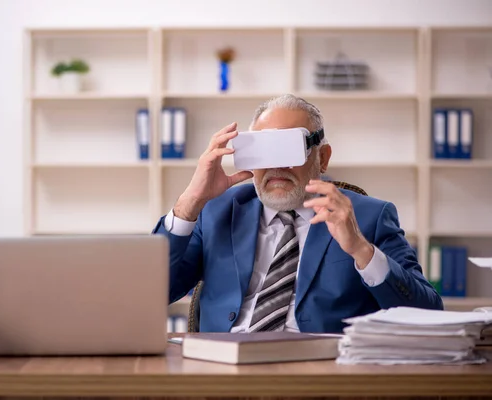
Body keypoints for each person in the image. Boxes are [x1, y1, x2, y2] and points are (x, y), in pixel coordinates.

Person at [152, 94, 443, 334]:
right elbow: (152, 294)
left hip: (319, 375)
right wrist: (190, 202)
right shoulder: (217, 210)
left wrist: (361, 250)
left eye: (288, 149)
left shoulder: (370, 216)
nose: (276, 166)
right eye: (264, 150)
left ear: (323, 157)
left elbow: (427, 314)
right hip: (222, 371)